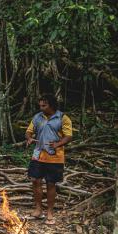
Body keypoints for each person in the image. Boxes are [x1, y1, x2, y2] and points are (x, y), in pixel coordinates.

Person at [25, 93, 73, 225]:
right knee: (35, 180)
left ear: (51, 105)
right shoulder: (37, 117)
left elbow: (68, 136)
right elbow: (29, 130)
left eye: (44, 105)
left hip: (55, 157)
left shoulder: (63, 118)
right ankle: (38, 209)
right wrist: (29, 137)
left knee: (51, 184)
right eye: (40, 105)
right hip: (38, 154)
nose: (41, 108)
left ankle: (50, 212)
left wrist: (57, 144)